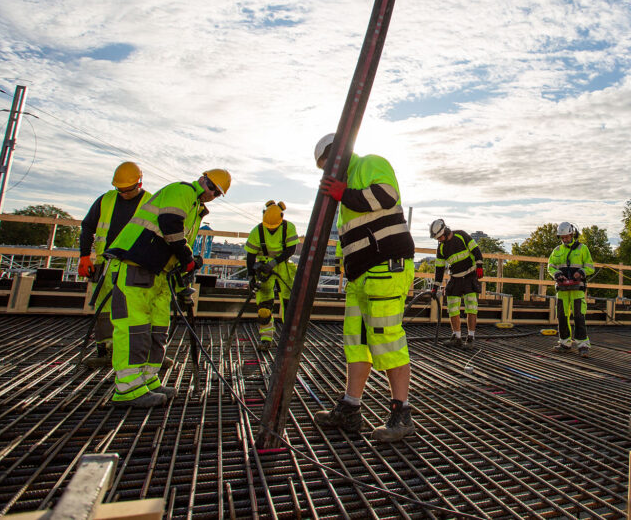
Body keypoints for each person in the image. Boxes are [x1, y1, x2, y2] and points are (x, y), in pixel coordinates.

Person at [311, 133, 416, 442]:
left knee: (387, 339)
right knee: (355, 341)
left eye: (325, 165)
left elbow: (386, 195)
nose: (325, 173)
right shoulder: (345, 189)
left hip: (386, 267)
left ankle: (402, 413)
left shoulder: (370, 163)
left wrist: (344, 193)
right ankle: (350, 407)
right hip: (360, 276)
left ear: (336, 155)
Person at [102, 169, 231, 408]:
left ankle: (148, 381)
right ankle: (128, 389)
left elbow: (179, 242)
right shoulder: (182, 191)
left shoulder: (195, 209)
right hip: (136, 265)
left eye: (216, 192)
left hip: (159, 274)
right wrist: (187, 257)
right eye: (211, 186)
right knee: (135, 328)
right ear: (202, 178)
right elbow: (170, 225)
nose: (211, 192)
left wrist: (186, 265)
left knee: (157, 328)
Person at [78, 162, 152, 369]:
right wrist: (84, 256)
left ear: (139, 183)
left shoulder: (150, 202)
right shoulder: (106, 200)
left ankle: (132, 352)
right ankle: (106, 348)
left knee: (134, 310)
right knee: (104, 309)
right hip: (105, 263)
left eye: (128, 190)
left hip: (134, 265)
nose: (124, 194)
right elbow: (87, 226)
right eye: (120, 189)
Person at [244, 200, 299, 351]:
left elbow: (291, 250)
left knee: (290, 306)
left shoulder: (288, 227)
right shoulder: (258, 231)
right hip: (263, 269)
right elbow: (250, 255)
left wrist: (274, 263)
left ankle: (290, 340)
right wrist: (251, 276)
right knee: (264, 308)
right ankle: (266, 339)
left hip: (284, 267)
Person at [429, 219, 484, 349]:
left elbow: (476, 250)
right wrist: (435, 287)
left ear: (445, 231)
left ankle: (470, 338)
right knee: (452, 308)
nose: (439, 240)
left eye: (440, 237)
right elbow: (439, 268)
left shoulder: (461, 235)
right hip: (455, 278)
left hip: (470, 276)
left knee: (471, 307)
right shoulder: (441, 247)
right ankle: (457, 337)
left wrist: (479, 265)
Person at [547, 222, 595, 357]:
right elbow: (550, 266)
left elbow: (590, 267)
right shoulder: (557, 251)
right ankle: (565, 343)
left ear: (572, 234)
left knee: (579, 316)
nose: (564, 240)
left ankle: (583, 345)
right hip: (562, 289)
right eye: (562, 238)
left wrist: (581, 272)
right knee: (562, 316)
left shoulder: (582, 249)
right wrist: (557, 274)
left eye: (566, 237)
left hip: (577, 289)